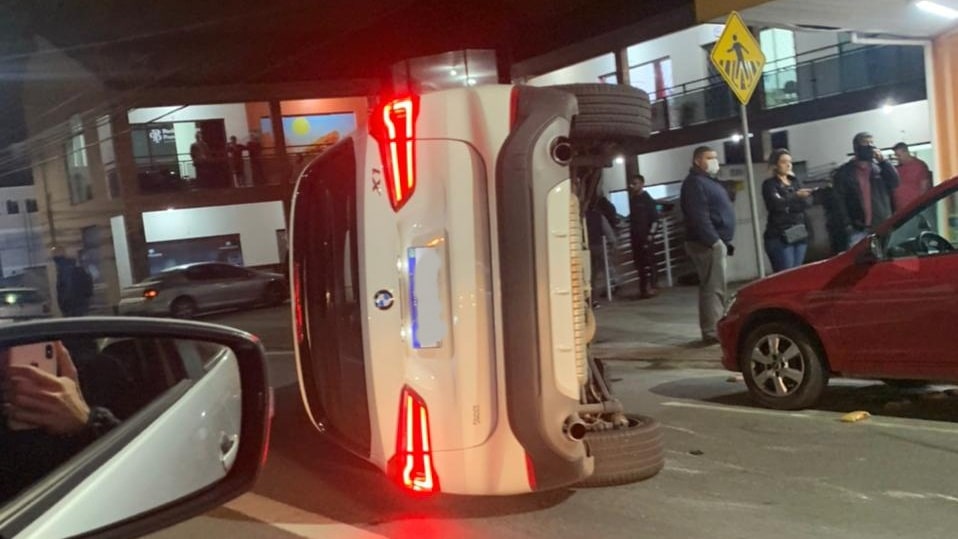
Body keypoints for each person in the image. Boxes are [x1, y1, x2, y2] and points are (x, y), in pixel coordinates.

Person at [0, 341, 120, 502]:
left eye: (17, 346)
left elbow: (135, 469)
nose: (8, 358)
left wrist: (86, 424)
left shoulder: (99, 376)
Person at [680, 146, 734, 345]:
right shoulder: (694, 183)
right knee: (713, 287)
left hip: (714, 242)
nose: (714, 161)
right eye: (709, 158)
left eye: (715, 157)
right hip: (706, 243)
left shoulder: (708, 181)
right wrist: (714, 241)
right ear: (697, 161)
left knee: (716, 286)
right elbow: (698, 216)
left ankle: (716, 327)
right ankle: (712, 331)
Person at [832, 132, 900, 249]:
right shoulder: (844, 172)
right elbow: (839, 201)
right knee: (858, 259)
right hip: (857, 227)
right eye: (866, 143)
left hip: (881, 224)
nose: (870, 147)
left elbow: (895, 182)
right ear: (856, 147)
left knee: (885, 257)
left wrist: (883, 162)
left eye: (872, 143)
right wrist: (847, 224)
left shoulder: (879, 168)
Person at [762, 149, 813, 273]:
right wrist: (795, 196)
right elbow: (777, 205)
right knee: (785, 271)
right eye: (783, 162)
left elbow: (806, 203)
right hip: (779, 234)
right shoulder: (770, 184)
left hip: (797, 230)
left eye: (790, 162)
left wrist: (790, 202)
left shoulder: (795, 182)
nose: (788, 165)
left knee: (797, 272)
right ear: (775, 165)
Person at [628, 174, 660, 299]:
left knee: (649, 262)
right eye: (632, 184)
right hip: (636, 238)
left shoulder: (647, 200)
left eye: (635, 183)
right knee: (640, 264)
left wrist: (651, 235)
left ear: (642, 184)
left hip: (646, 237)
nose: (633, 186)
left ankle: (652, 287)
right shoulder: (633, 199)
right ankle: (643, 289)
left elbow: (655, 219)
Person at [51, 247, 93, 317]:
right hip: (80, 307)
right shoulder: (77, 269)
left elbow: (67, 290)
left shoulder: (64, 270)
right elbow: (88, 289)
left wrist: (65, 306)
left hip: (72, 309)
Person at [892, 142, 932, 210]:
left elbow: (924, 188)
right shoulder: (897, 168)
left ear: (906, 152)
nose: (897, 158)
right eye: (896, 155)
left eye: (899, 155)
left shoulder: (919, 166)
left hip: (914, 208)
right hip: (900, 209)